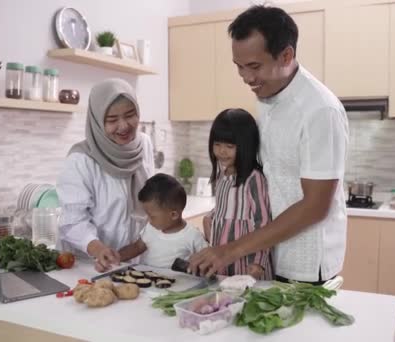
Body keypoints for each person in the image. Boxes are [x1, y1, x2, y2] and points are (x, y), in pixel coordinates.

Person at [189, 5, 349, 285]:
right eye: (239, 66)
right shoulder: (268, 95)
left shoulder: (319, 110)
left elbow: (315, 206)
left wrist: (229, 250)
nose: (247, 78)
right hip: (267, 256)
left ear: (286, 55)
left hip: (305, 264)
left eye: (254, 66)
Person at [57, 78, 154, 272]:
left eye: (130, 115)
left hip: (136, 262)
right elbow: (73, 221)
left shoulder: (144, 144)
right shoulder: (80, 160)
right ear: (97, 120)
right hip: (92, 265)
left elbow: (151, 201)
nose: (124, 126)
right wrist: (99, 249)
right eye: (111, 120)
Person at [202, 108, 272, 280]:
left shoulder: (253, 179)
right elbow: (226, 209)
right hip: (224, 264)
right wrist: (210, 217)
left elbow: (262, 222)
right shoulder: (221, 176)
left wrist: (257, 262)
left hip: (247, 265)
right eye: (217, 144)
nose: (221, 151)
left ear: (245, 146)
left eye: (229, 146)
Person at [115, 173, 208, 270]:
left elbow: (208, 259)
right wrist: (117, 256)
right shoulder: (151, 228)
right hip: (146, 280)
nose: (148, 219)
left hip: (177, 284)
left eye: (152, 216)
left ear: (173, 215)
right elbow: (137, 247)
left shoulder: (193, 235)